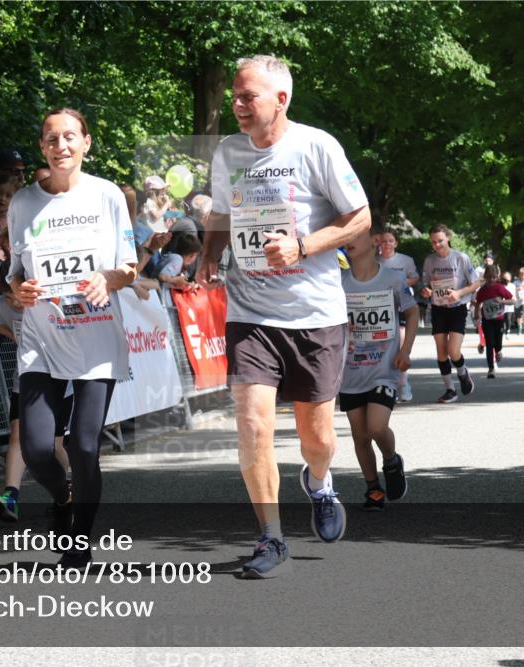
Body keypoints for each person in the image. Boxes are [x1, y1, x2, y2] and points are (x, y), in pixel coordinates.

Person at [198, 55, 371, 578]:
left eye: (248, 96)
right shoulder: (228, 151)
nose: (238, 104)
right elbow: (224, 214)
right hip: (250, 312)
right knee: (252, 424)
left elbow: (359, 216)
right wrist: (210, 254)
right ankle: (270, 537)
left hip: (314, 312)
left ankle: (318, 482)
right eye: (235, 95)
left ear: (282, 100)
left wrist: (304, 246)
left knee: (316, 436)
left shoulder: (316, 146)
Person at [7, 107, 137, 569]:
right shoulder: (22, 202)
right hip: (42, 335)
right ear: (43, 146)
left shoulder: (106, 196)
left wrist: (109, 279)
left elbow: (128, 266)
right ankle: (63, 492)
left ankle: (79, 541)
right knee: (37, 449)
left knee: (83, 444)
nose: (60, 145)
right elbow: (15, 277)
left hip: (96, 337)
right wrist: (18, 290)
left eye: (69, 137)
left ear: (86, 143)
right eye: (50, 138)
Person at [0, 261, 71, 521]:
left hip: (61, 378)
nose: (12, 301)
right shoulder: (4, 306)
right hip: (24, 379)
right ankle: (10, 496)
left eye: (15, 293)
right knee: (17, 435)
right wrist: (8, 332)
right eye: (6, 295)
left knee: (54, 444)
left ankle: (66, 494)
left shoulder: (51, 302)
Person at [340, 221, 417, 511]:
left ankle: (391, 460)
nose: (348, 239)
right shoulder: (339, 281)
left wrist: (405, 350)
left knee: (376, 427)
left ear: (374, 241)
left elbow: (411, 313)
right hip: (349, 370)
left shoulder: (393, 279)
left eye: (354, 234)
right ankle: (373, 488)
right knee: (359, 434)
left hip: (383, 368)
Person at [420, 224, 480, 403]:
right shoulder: (429, 260)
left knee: (453, 351)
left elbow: (476, 283)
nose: (437, 245)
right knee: (441, 352)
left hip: (457, 308)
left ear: (448, 238)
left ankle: (463, 372)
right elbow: (426, 284)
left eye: (440, 241)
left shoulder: (461, 258)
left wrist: (459, 293)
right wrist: (427, 291)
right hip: (438, 309)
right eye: (433, 242)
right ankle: (450, 390)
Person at [377, 228, 419, 402]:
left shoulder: (405, 260)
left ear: (396, 243)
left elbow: (415, 277)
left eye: (390, 241)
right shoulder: (374, 260)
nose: (387, 244)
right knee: (382, 345)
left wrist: (398, 283)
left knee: (400, 342)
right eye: (384, 241)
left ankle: (403, 383)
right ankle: (387, 385)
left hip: (401, 302)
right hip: (379, 304)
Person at [473, 265, 514, 379]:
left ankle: (499, 351)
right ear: (485, 276)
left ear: (497, 277)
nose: (491, 280)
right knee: (489, 343)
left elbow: (512, 300)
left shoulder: (499, 288)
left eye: (493, 277)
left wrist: (502, 302)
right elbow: (478, 303)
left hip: (499, 319)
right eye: (489, 277)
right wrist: (477, 315)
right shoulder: (482, 290)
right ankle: (491, 368)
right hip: (487, 320)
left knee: (498, 343)